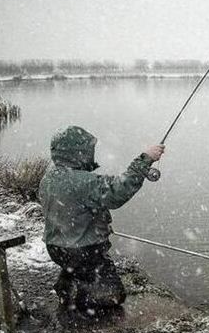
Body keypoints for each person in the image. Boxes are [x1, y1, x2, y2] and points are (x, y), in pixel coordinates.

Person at [38, 126, 164, 316]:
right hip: (84, 252)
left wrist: (95, 223)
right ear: (78, 153)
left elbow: (71, 209)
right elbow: (118, 191)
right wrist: (145, 158)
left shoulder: (48, 178)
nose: (92, 154)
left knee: (77, 267)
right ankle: (81, 302)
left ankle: (67, 285)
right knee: (114, 296)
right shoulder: (85, 181)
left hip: (55, 249)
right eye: (88, 150)